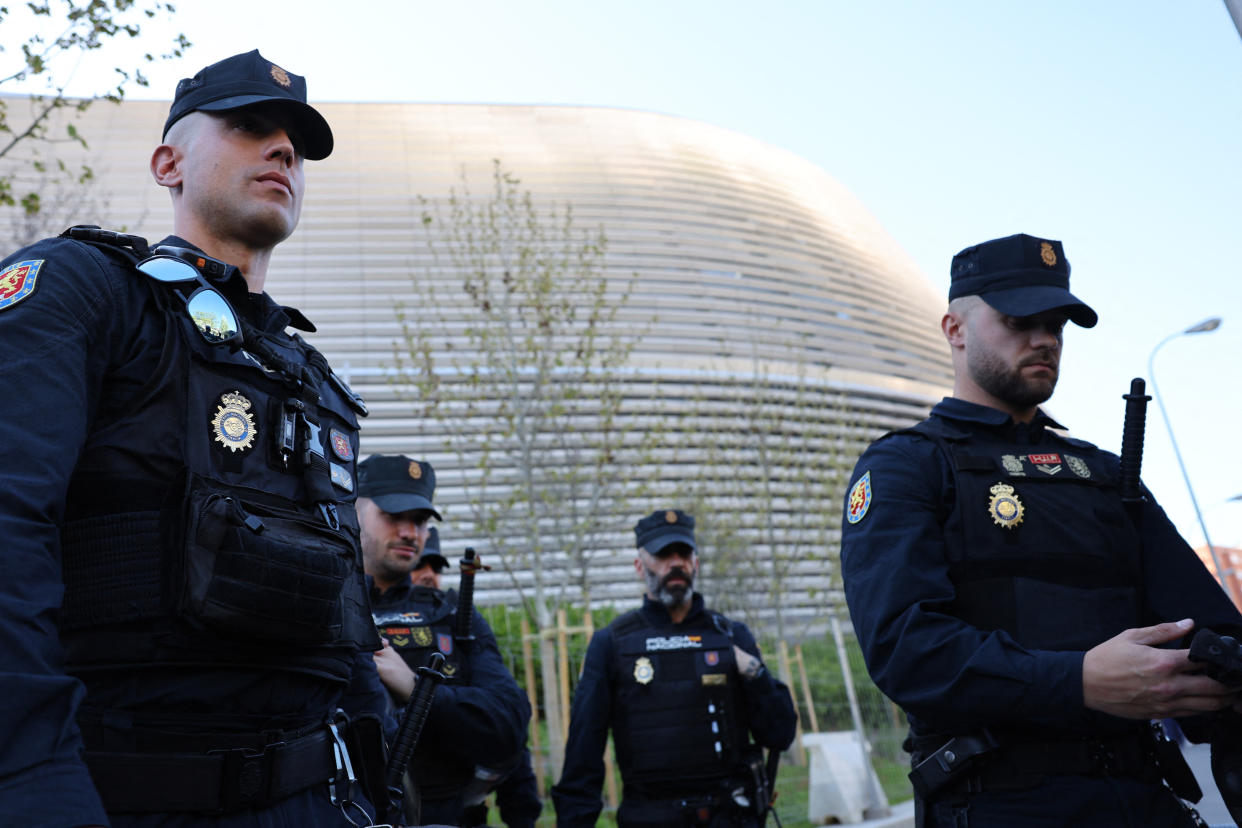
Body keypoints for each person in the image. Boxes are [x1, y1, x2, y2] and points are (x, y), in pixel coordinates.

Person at [0, 50, 398, 827]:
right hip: (128, 795)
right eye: (250, 126)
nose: (282, 149)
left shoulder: (311, 378)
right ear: (168, 162)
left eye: (296, 143)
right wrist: (30, 782)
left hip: (322, 799)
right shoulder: (87, 290)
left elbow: (341, 619)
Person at [840, 232, 1242, 826]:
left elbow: (1204, 622)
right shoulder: (908, 466)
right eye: (1019, 319)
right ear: (955, 329)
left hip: (1143, 794)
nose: (1045, 339)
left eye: (1056, 323)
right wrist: (1076, 681)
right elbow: (906, 649)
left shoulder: (1107, 474)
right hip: (995, 802)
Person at [553, 509, 798, 827]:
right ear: (640, 566)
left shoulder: (731, 636)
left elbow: (780, 734)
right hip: (652, 818)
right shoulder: (611, 644)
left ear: (695, 563)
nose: (675, 563)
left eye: (683, 553)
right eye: (663, 554)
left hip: (730, 816)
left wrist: (754, 672)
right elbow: (583, 754)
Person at [358, 454, 539, 827]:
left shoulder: (454, 615)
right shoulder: (326, 608)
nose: (411, 532)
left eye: (421, 521)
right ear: (355, 512)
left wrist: (417, 688)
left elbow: (509, 723)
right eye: (395, 516)